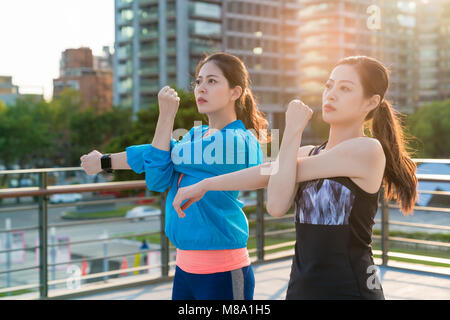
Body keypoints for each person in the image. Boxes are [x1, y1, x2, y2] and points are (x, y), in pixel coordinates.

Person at [172, 56, 418, 300]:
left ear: (371, 102)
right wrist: (205, 185)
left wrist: (292, 130)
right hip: (302, 287)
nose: (330, 95)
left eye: (345, 88)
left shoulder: (368, 151)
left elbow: (276, 184)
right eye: (329, 85)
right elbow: (276, 200)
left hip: (352, 287)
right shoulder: (305, 153)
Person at [80, 52, 268, 300]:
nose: (201, 88)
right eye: (198, 81)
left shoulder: (239, 140)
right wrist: (105, 160)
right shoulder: (193, 136)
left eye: (212, 81)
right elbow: (158, 176)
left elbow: (164, 156)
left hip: (223, 270)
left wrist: (166, 117)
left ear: (235, 92)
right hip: (185, 268)